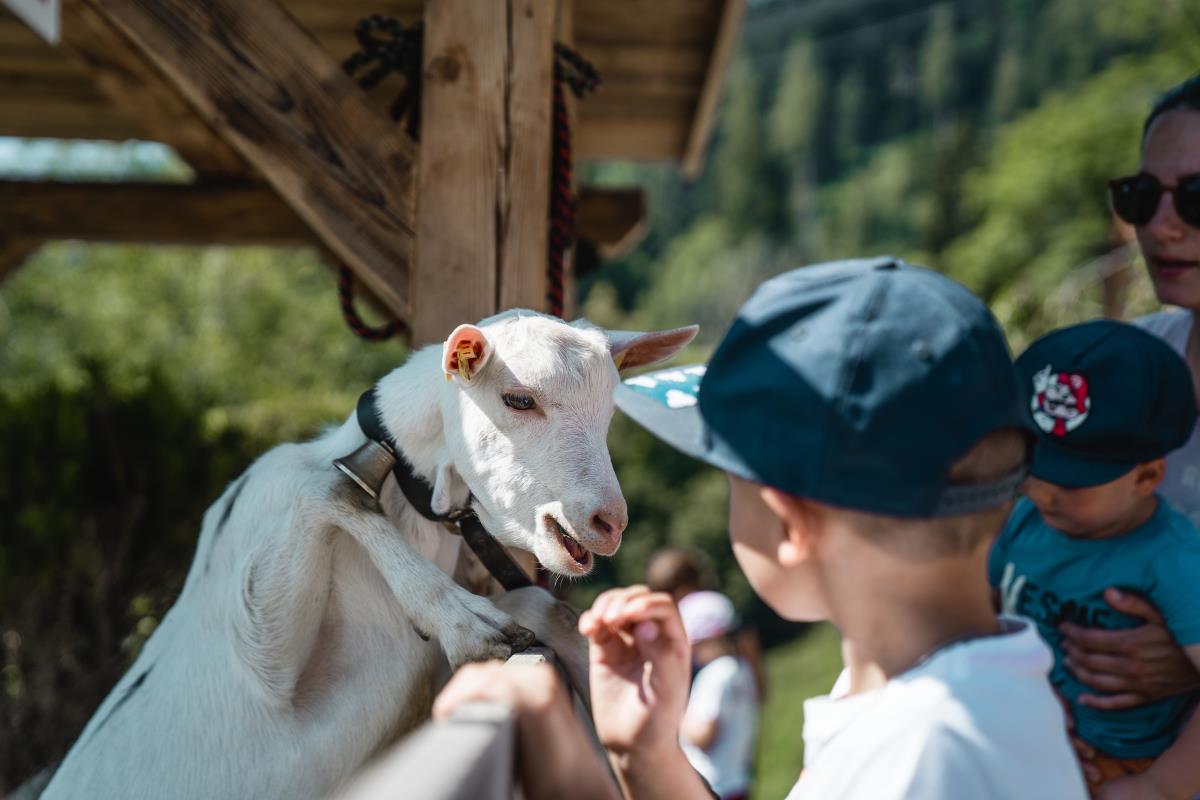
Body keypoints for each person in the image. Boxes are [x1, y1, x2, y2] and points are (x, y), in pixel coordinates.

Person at [432, 258, 1088, 798]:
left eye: (727, 478)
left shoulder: (931, 755)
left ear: (785, 523)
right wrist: (649, 757)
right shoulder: (936, 695)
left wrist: (565, 767)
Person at [990, 320, 1200, 798]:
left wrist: (1163, 784)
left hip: (1128, 766)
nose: (1041, 492)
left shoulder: (1173, 560)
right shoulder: (1022, 521)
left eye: (1070, 480)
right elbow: (970, 612)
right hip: (1032, 740)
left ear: (1147, 477)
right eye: (1033, 465)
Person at [1058, 74, 1200, 755]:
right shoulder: (1123, 364)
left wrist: (1187, 660)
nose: (1162, 226)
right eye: (1141, 197)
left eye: (1198, 198)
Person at [647, 547, 768, 700]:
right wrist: (759, 691)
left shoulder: (684, 616)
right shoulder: (719, 604)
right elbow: (748, 644)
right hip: (737, 689)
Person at [677, 591, 758, 800]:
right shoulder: (741, 668)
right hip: (736, 780)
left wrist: (676, 712)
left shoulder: (715, 675)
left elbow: (703, 737)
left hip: (714, 785)